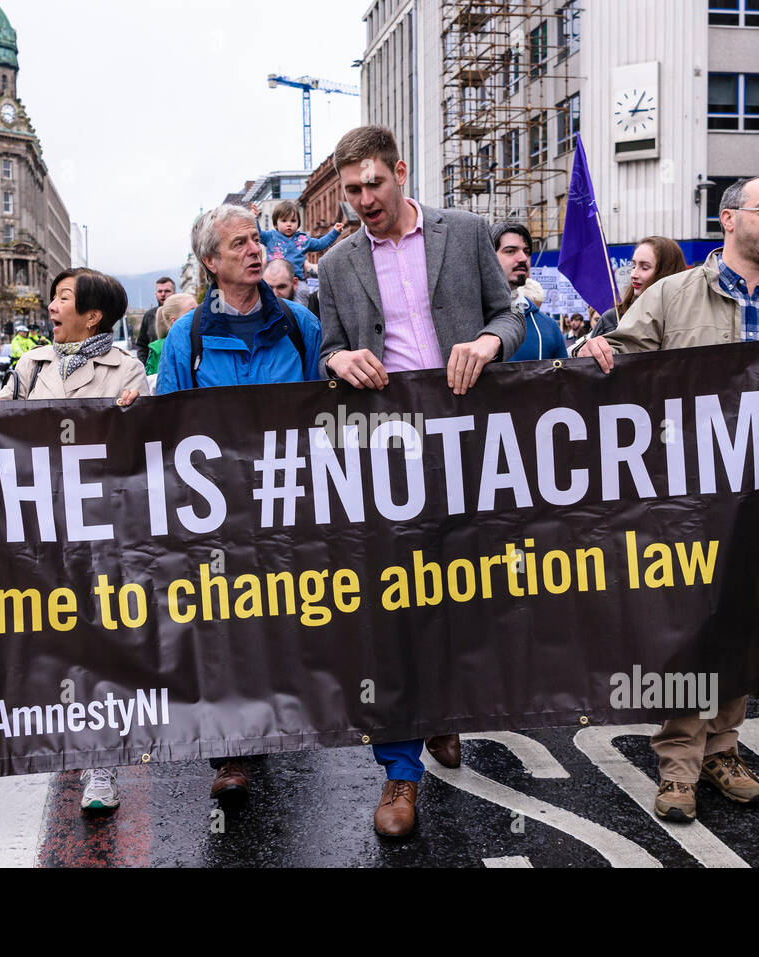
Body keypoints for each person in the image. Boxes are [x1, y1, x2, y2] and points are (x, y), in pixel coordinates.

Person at [581, 175, 759, 823]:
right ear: (728, 218)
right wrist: (595, 347)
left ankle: (725, 747)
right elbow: (618, 361)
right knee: (688, 629)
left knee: (744, 625)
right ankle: (679, 765)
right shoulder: (671, 295)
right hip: (687, 493)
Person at [316, 124, 524, 837]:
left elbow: (511, 316)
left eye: (374, 184)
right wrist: (339, 362)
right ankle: (401, 773)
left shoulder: (465, 232)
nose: (365, 200)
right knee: (395, 607)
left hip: (467, 445)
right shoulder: (337, 263)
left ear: (400, 171)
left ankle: (446, 707)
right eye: (352, 191)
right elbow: (329, 348)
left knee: (463, 596)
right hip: (387, 455)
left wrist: (489, 341)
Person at [0, 268, 146, 813]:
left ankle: (102, 768)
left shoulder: (126, 369)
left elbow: (137, 449)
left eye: (63, 298)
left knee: (101, 643)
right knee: (51, 641)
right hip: (37, 527)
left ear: (93, 315)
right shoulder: (31, 365)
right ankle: (62, 744)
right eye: (54, 297)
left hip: (101, 529)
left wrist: (135, 413)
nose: (50, 306)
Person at [155, 204, 323, 806]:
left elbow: (318, 414)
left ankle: (279, 719)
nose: (256, 250)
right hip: (216, 514)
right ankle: (232, 754)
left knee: (278, 619)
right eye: (239, 244)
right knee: (223, 626)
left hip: (284, 504)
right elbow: (167, 425)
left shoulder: (302, 325)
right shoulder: (187, 336)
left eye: (257, 240)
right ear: (211, 262)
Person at [490, 222, 567, 362]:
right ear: (487, 257)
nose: (523, 258)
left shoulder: (548, 327)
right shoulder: (468, 319)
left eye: (526, 252)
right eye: (510, 251)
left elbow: (563, 381)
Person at [589, 236, 687, 340]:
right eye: (633, 266)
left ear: (667, 271)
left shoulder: (687, 320)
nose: (633, 274)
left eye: (645, 267)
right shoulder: (611, 320)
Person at [248, 199, 342, 307]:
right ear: (275, 223)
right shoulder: (270, 236)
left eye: (293, 221)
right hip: (274, 281)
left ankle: (298, 319)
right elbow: (257, 233)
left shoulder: (303, 240)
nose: (289, 224)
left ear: (298, 224)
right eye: (284, 221)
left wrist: (334, 232)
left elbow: (321, 244)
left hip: (297, 281)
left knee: (302, 297)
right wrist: (254, 218)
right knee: (265, 301)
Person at [144, 291, 196, 377]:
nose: (199, 314)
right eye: (192, 311)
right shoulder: (160, 350)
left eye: (199, 309)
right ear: (175, 321)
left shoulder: (204, 342)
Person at [136, 276, 177, 365]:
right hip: (154, 371)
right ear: (156, 294)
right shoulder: (148, 316)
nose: (163, 294)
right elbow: (141, 345)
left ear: (175, 293)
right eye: (160, 291)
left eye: (167, 291)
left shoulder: (182, 314)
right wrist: (144, 365)